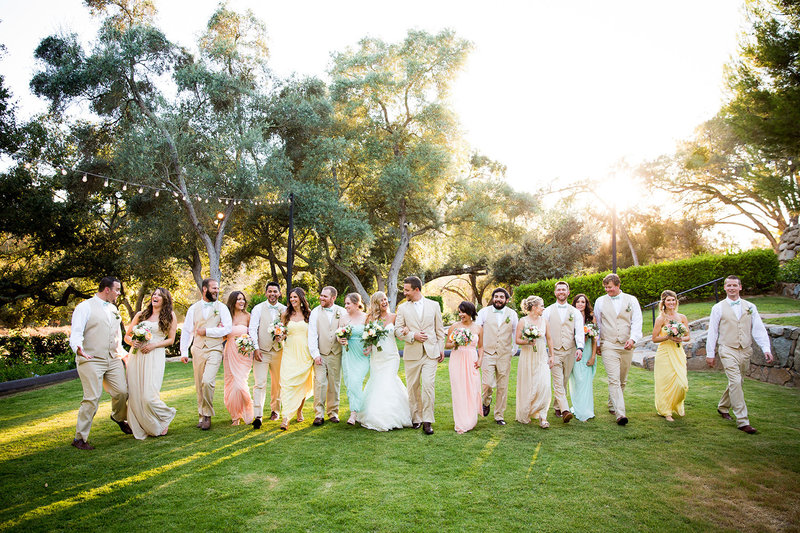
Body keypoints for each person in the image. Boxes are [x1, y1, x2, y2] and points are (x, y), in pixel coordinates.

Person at [706, 275, 773, 434]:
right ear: (724, 288)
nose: (731, 288)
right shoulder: (718, 308)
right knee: (735, 381)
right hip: (727, 349)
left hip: (746, 350)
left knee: (738, 382)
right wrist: (710, 353)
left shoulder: (750, 306)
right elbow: (712, 332)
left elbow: (758, 329)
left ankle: (723, 407)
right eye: (728, 285)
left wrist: (766, 349)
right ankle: (743, 421)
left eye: (734, 285)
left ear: (740, 287)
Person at [69, 277, 131, 449]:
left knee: (122, 392)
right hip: (91, 359)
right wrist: (78, 348)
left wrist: (123, 354)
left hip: (112, 358)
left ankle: (118, 417)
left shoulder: (113, 309)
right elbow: (76, 333)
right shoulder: (84, 307)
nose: (119, 293)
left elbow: (116, 336)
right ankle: (79, 438)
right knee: (92, 398)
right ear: (106, 289)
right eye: (117, 290)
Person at [123, 287, 178, 439]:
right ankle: (145, 424)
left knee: (149, 395)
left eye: (159, 295)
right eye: (154, 294)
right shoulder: (142, 315)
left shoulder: (169, 316)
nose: (155, 296)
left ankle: (165, 416)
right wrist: (132, 342)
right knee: (135, 394)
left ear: (165, 300)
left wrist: (154, 345)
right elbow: (127, 336)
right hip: (137, 357)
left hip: (155, 356)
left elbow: (171, 340)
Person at [395, 276, 446, 435]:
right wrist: (412, 336)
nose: (404, 293)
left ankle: (427, 421)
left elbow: (440, 331)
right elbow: (397, 330)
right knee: (413, 387)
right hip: (412, 354)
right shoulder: (402, 309)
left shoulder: (434, 305)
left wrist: (441, 349)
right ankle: (416, 418)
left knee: (428, 386)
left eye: (407, 290)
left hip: (430, 353)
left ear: (416, 289)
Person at [180, 278, 233, 431]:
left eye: (217, 288)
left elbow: (227, 328)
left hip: (215, 348)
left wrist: (208, 331)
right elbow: (187, 330)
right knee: (199, 384)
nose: (217, 291)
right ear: (204, 289)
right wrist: (184, 351)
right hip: (197, 349)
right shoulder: (193, 308)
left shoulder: (222, 308)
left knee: (208, 381)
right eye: (214, 288)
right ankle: (201, 415)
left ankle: (207, 415)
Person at [358, 292, 412, 431]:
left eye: (385, 299)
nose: (384, 302)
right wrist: (368, 348)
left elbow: (400, 333)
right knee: (377, 382)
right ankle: (376, 413)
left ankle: (390, 415)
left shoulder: (394, 317)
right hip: (376, 357)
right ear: (376, 303)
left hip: (391, 356)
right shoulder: (370, 318)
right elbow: (369, 338)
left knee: (388, 380)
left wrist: (406, 329)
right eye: (381, 300)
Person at [594, 273, 642, 426]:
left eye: (610, 287)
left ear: (618, 285)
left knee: (622, 379)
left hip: (627, 343)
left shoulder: (631, 300)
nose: (608, 290)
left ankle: (611, 403)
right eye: (606, 288)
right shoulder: (600, 301)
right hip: (609, 344)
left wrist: (633, 339)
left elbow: (637, 321)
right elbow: (598, 324)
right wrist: (598, 344)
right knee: (613, 379)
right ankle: (621, 414)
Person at [543, 281, 585, 423]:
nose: (561, 292)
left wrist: (580, 348)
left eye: (564, 289)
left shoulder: (575, 312)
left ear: (568, 292)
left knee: (565, 379)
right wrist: (545, 350)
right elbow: (544, 332)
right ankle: (565, 410)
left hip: (570, 350)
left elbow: (579, 331)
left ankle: (557, 406)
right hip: (554, 351)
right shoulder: (547, 311)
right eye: (559, 289)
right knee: (558, 381)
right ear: (555, 293)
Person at [475, 288, 518, 426]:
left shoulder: (512, 314)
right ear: (493, 298)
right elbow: (477, 330)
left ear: (506, 300)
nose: (498, 299)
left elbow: (515, 332)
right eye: (496, 296)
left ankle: (499, 415)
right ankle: (486, 401)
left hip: (504, 354)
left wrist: (514, 349)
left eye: (501, 297)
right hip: (488, 353)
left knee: (503, 386)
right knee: (487, 383)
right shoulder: (484, 312)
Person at [308, 286, 349, 426]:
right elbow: (312, 334)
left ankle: (333, 412)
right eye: (321, 295)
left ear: (333, 298)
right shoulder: (315, 312)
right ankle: (319, 414)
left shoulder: (342, 311)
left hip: (336, 354)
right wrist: (315, 354)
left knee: (334, 384)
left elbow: (346, 330)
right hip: (321, 354)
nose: (321, 298)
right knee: (319, 383)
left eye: (325, 296)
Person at [249, 281, 286, 428]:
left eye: (275, 291)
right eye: (269, 291)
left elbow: (287, 329)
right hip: (262, 352)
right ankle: (257, 415)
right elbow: (252, 329)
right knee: (259, 383)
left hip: (279, 351)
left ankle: (275, 410)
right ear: (266, 293)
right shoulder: (258, 309)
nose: (272, 294)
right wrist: (256, 348)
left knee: (278, 383)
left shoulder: (284, 309)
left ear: (279, 293)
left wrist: (281, 337)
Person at [651, 290, 691, 422]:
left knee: (682, 383)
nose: (671, 302)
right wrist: (668, 336)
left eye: (673, 300)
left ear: (676, 301)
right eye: (668, 300)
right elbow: (654, 338)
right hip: (665, 352)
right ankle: (666, 411)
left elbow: (688, 336)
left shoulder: (682, 317)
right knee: (665, 383)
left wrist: (681, 339)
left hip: (678, 352)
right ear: (664, 303)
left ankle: (677, 405)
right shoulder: (661, 319)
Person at [277, 288, 314, 430]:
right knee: (287, 384)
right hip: (290, 352)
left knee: (302, 383)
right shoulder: (286, 314)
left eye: (295, 297)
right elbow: (283, 332)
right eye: (291, 297)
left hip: (304, 352)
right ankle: (285, 418)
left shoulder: (309, 315)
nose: (292, 299)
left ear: (301, 298)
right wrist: (280, 336)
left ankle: (299, 410)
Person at [515, 295, 553, 428]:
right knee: (529, 385)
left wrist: (551, 355)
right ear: (534, 307)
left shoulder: (545, 321)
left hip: (542, 356)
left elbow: (549, 339)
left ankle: (543, 417)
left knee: (545, 385)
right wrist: (528, 341)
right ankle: (526, 412)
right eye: (541, 305)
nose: (543, 308)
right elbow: (517, 340)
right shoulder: (523, 321)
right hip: (527, 356)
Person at [445, 301, 483, 434]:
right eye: (459, 312)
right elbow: (447, 345)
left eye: (463, 312)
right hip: (457, 360)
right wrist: (457, 341)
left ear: (470, 313)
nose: (461, 315)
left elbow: (481, 347)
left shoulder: (478, 328)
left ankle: (471, 418)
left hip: (472, 360)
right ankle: (461, 421)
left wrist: (480, 359)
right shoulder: (454, 327)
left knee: (472, 389)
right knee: (459, 390)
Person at [223, 291, 255, 426]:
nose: (241, 301)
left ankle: (248, 408)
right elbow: (223, 335)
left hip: (244, 353)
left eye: (243, 299)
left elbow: (253, 333)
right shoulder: (226, 317)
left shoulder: (248, 316)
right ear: (233, 302)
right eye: (238, 299)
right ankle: (235, 416)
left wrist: (248, 343)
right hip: (230, 352)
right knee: (231, 384)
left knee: (240, 383)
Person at [339, 293, 369, 426]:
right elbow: (338, 334)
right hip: (348, 353)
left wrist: (370, 347)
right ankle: (354, 412)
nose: (345, 306)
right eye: (345, 304)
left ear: (357, 304)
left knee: (357, 380)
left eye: (348, 304)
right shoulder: (343, 318)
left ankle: (356, 411)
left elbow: (372, 334)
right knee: (351, 383)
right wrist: (340, 339)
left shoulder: (366, 317)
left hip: (362, 354)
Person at [568, 293, 597, 422]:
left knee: (586, 381)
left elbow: (595, 339)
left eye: (583, 302)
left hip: (588, 351)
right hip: (575, 351)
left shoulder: (591, 318)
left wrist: (593, 356)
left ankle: (586, 410)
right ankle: (577, 407)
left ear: (586, 304)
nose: (580, 304)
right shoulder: (571, 316)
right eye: (578, 302)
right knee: (576, 380)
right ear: (574, 303)